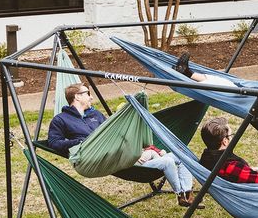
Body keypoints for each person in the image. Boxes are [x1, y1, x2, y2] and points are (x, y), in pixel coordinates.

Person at [48, 83, 201, 207]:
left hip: (125, 156)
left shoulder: (96, 115)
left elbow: (114, 135)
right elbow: (54, 142)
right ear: (77, 96)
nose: (91, 96)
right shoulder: (61, 120)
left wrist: (139, 149)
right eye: (87, 93)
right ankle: (180, 194)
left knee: (182, 154)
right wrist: (81, 143)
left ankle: (187, 193)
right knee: (167, 161)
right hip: (91, 160)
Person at [199, 116, 258, 184]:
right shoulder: (231, 166)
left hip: (243, 179)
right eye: (231, 135)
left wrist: (249, 171)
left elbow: (234, 176)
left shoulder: (207, 159)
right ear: (225, 141)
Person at [174, 53, 258, 89]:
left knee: (214, 83)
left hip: (244, 97)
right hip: (244, 91)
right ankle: (186, 72)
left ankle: (185, 75)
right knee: (217, 79)